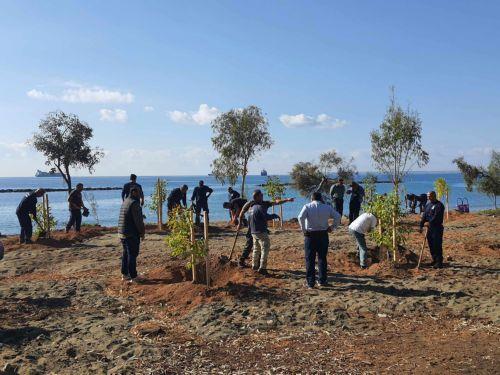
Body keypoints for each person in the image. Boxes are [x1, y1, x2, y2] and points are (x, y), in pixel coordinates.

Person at [237, 189, 294, 272]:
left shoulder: (265, 203)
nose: (263, 196)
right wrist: (240, 223)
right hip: (252, 226)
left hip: (260, 226)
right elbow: (242, 212)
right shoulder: (250, 203)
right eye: (261, 195)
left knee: (258, 246)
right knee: (250, 244)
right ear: (256, 197)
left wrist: (287, 200)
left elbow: (276, 202)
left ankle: (257, 265)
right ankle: (242, 261)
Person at [298, 191, 341, 289]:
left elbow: (300, 217)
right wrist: (332, 227)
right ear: (321, 198)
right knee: (322, 258)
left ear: (312, 198)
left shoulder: (307, 206)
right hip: (323, 234)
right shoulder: (327, 207)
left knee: (310, 259)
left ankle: (310, 283)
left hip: (310, 235)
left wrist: (304, 230)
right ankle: (322, 280)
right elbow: (338, 216)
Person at [118, 187, 145, 282]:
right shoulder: (134, 203)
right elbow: (138, 221)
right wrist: (142, 232)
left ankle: (125, 274)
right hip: (131, 233)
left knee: (126, 253)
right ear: (134, 192)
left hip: (122, 232)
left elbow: (128, 215)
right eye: (140, 193)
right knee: (132, 254)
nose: (141, 195)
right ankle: (134, 276)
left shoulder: (125, 201)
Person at [420, 191, 445, 269]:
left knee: (437, 244)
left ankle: (439, 262)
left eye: (429, 196)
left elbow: (436, 216)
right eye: (427, 196)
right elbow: (424, 215)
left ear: (434, 196)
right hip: (429, 229)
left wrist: (430, 222)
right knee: (431, 245)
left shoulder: (439, 205)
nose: (428, 197)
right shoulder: (428, 205)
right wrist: (421, 225)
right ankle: (434, 260)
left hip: (437, 228)